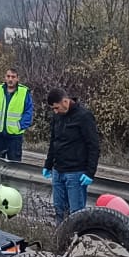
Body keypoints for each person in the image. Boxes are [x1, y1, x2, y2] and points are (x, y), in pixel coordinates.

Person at [43, 88, 100, 221]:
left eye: (57, 108)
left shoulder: (84, 116)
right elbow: (54, 141)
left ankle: (76, 240)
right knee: (59, 210)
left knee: (76, 214)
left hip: (75, 173)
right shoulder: (57, 116)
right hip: (58, 171)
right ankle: (59, 239)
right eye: (53, 109)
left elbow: (93, 146)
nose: (55, 111)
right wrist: (48, 164)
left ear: (65, 101)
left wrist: (90, 172)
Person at [0, 68, 33, 162]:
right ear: (5, 77)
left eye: (13, 77)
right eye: (8, 76)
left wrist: (20, 126)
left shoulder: (24, 92)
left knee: (14, 164)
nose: (10, 79)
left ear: (17, 78)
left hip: (15, 136)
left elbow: (28, 112)